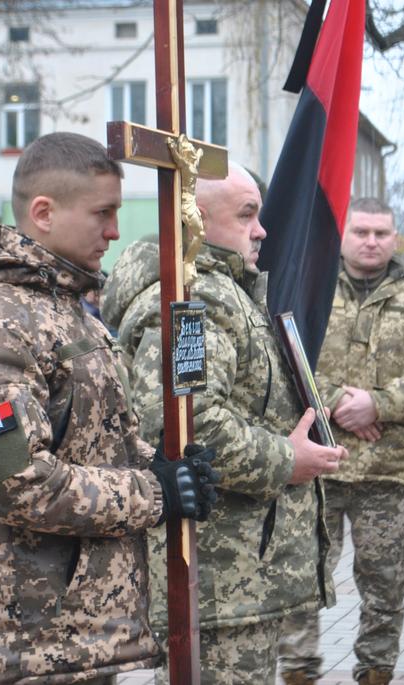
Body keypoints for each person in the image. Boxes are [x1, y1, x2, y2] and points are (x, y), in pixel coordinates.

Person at [0, 132, 219, 684]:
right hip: (31, 646)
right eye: (102, 213)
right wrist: (154, 492)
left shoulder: (64, 307)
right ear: (44, 213)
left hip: (80, 634)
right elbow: (17, 479)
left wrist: (163, 464)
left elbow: (92, 435)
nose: (114, 231)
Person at [104, 162, 349, 685]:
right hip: (217, 579)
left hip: (238, 577)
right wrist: (287, 458)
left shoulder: (227, 291)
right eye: (246, 215)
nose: (261, 231)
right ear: (194, 220)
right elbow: (185, 424)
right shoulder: (199, 299)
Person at [314, 197, 404, 685]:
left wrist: (378, 404)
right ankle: (298, 670)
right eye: (361, 232)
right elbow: (284, 356)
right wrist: (336, 402)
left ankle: (376, 670)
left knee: (386, 582)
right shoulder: (312, 285)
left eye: (381, 233)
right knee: (302, 576)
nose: (371, 242)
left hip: (385, 469)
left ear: (395, 238)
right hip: (318, 462)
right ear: (343, 236)